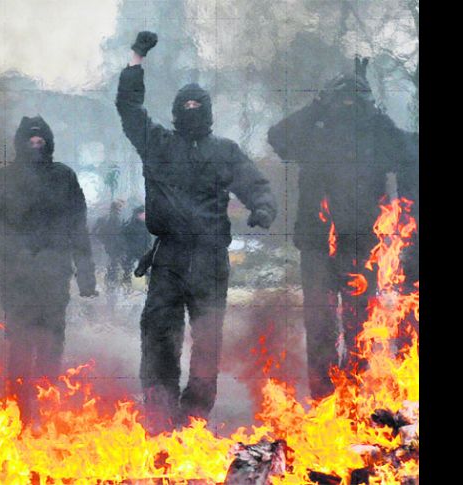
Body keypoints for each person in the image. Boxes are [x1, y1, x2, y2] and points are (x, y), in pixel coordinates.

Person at [116, 32, 277, 431]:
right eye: (184, 107)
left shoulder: (224, 151)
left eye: (196, 107)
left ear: (206, 112)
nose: (190, 112)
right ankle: (160, 415)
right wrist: (136, 59)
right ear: (176, 113)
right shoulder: (158, 144)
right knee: (158, 336)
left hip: (209, 260)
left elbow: (254, 183)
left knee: (207, 343)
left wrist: (263, 207)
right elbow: (129, 108)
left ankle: (193, 419)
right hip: (169, 257)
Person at [267, 57, 419, 400]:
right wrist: (318, 105)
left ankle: (350, 398)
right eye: (343, 98)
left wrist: (376, 112)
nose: (348, 107)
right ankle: (324, 399)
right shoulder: (314, 135)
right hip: (318, 245)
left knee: (358, 327)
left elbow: (408, 151)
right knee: (320, 326)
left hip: (362, 246)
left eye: (356, 99)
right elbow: (278, 138)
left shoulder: (377, 136)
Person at [0, 115, 98, 424]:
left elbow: (78, 229)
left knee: (51, 342)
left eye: (41, 141)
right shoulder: (3, 180)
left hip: (54, 275)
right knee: (21, 343)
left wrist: (86, 277)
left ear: (49, 144)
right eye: (31, 141)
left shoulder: (64, 177)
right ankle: (21, 408)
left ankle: (45, 404)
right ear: (20, 144)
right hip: (17, 276)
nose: (36, 146)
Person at [93, 200, 126, 289]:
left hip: (110, 245)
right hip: (114, 246)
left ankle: (110, 283)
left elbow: (96, 232)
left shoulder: (107, 218)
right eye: (119, 207)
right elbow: (118, 233)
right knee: (114, 264)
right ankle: (111, 284)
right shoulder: (115, 218)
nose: (120, 210)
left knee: (113, 264)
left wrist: (103, 241)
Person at [120, 205, 153, 283]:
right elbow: (123, 237)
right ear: (138, 214)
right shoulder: (130, 225)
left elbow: (148, 238)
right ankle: (126, 284)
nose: (144, 215)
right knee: (127, 269)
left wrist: (148, 248)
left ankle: (149, 283)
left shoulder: (145, 225)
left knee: (145, 268)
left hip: (142, 251)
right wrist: (126, 247)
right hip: (131, 251)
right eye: (143, 214)